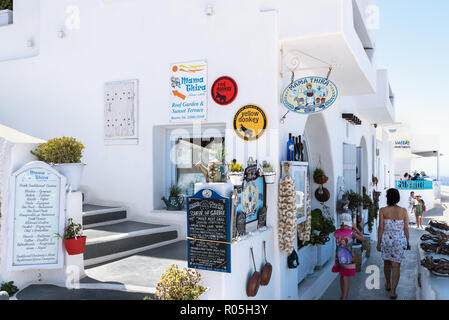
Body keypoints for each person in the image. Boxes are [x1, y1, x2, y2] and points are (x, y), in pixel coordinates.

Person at [377, 188, 410, 300]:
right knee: (396, 266)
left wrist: (378, 242)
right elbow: (406, 228)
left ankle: (387, 283)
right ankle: (393, 292)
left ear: (387, 198)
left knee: (387, 263)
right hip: (399, 240)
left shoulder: (383, 210)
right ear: (398, 198)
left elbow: (381, 227)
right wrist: (408, 242)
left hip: (387, 240)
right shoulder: (404, 211)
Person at [332, 213, 364, 300]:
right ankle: (345, 298)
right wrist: (356, 228)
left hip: (339, 258)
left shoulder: (337, 232)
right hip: (348, 259)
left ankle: (342, 295)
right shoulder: (352, 233)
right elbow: (362, 238)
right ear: (349, 223)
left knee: (342, 276)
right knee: (346, 278)